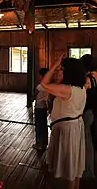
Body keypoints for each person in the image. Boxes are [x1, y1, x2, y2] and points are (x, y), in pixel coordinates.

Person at [41, 55, 86, 189]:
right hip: (75, 127)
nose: (59, 72)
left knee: (70, 165)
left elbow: (43, 84)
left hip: (68, 129)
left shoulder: (68, 90)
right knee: (75, 165)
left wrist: (54, 64)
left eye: (61, 69)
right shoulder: (81, 88)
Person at [80, 54, 97, 178]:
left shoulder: (88, 79)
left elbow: (79, 96)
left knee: (87, 142)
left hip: (87, 112)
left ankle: (88, 172)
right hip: (94, 110)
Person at [33, 68, 49, 150]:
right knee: (44, 125)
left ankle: (39, 144)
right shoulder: (49, 85)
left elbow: (35, 95)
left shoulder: (40, 86)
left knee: (38, 126)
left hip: (39, 107)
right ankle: (44, 143)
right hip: (45, 107)